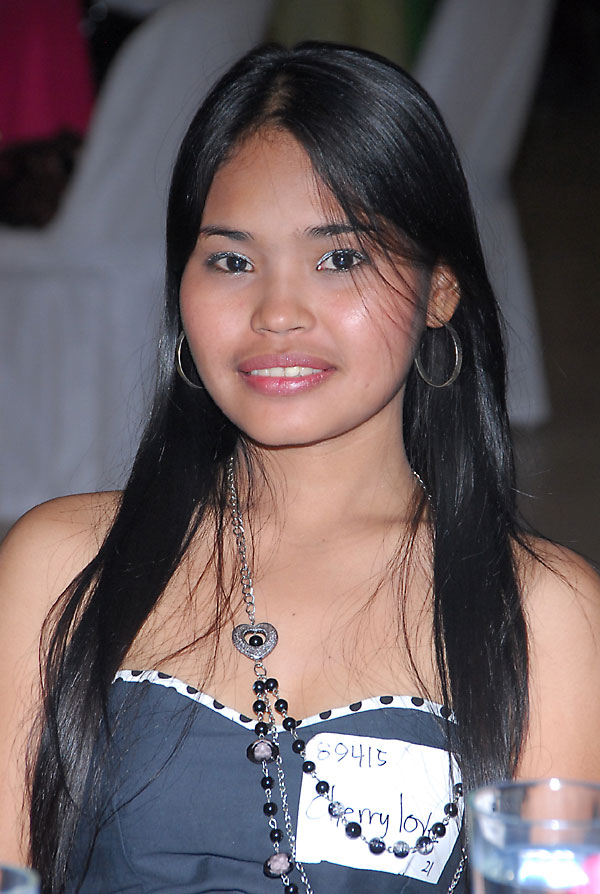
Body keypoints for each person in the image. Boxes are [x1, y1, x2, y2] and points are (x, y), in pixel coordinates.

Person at [0, 42, 599, 894]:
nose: (277, 312)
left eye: (340, 258)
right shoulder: (64, 566)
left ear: (440, 290)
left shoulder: (541, 615)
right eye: (232, 261)